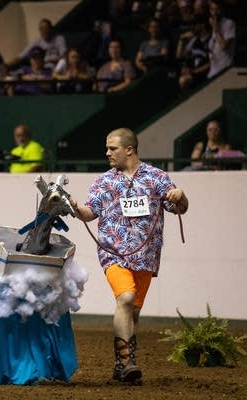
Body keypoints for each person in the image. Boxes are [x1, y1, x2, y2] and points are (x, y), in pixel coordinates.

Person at [69, 128, 188, 383]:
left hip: (146, 256)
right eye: (107, 148)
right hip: (114, 254)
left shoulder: (157, 177)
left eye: (112, 148)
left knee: (132, 311)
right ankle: (127, 363)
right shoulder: (103, 181)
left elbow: (179, 207)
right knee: (126, 297)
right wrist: (70, 204)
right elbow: (89, 212)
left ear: (129, 149)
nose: (107, 153)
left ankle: (120, 365)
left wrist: (181, 195)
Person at [176, 17, 211, 93]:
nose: (192, 28)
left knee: (183, 80)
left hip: (205, 73)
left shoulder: (210, 39)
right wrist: (181, 39)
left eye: (194, 25)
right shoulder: (194, 40)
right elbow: (179, 56)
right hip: (194, 72)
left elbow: (212, 62)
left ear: (202, 25)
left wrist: (195, 71)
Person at [207, 0, 236, 78]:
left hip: (224, 71)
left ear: (222, 10)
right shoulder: (212, 25)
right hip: (212, 72)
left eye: (217, 9)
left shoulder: (229, 23)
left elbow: (224, 46)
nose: (215, 13)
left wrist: (216, 29)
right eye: (212, 9)